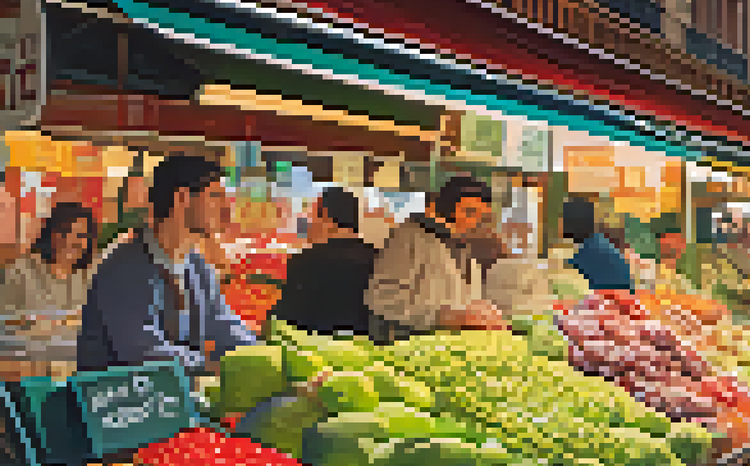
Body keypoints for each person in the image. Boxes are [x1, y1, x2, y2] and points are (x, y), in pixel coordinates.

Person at [78, 155, 257, 374]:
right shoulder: (125, 268)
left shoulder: (197, 267)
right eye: (215, 196)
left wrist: (259, 354)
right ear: (183, 198)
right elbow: (142, 351)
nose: (226, 209)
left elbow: (221, 322)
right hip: (117, 401)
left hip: (167, 399)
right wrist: (209, 366)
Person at [366, 175, 506, 343]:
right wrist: (444, 317)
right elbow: (382, 299)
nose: (475, 222)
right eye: (470, 212)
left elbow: (463, 303)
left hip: (453, 352)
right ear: (445, 209)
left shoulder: (464, 249)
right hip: (409, 351)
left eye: (482, 217)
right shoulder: (410, 237)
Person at [271, 188, 378, 336]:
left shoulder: (304, 264)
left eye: (312, 216)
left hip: (315, 353)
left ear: (325, 216)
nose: (309, 224)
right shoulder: (378, 258)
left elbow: (285, 323)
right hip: (367, 352)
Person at [0, 202, 103, 312]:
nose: (70, 241)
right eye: (64, 232)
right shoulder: (22, 271)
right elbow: (5, 318)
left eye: (80, 236)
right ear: (49, 233)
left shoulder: (95, 272)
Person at [562, 197, 632, 291]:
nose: (561, 225)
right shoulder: (596, 241)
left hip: (612, 299)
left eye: (564, 220)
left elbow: (571, 273)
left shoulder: (590, 249)